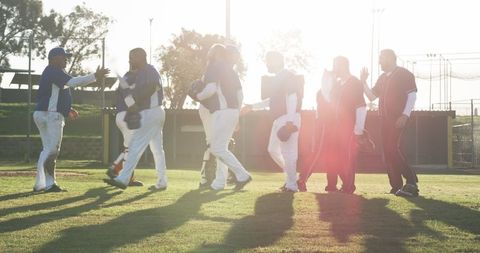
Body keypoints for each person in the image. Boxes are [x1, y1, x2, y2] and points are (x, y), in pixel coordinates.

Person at [33, 47, 109, 192]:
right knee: (52, 151)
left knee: (47, 150)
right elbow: (74, 82)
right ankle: (50, 184)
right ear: (54, 58)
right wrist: (95, 76)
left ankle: (41, 184)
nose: (66, 59)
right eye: (63, 56)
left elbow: (54, 94)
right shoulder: (54, 70)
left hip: (43, 113)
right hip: (51, 115)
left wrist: (67, 108)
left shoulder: (50, 71)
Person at [103, 48, 167, 191]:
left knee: (134, 147)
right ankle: (162, 181)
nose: (130, 60)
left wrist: (136, 101)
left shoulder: (149, 70)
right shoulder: (140, 73)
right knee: (157, 150)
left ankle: (123, 178)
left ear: (141, 57)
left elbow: (152, 86)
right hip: (154, 112)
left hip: (151, 112)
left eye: (132, 57)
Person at [360, 49, 419, 197]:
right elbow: (371, 96)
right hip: (384, 120)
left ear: (391, 58)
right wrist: (363, 82)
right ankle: (396, 186)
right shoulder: (382, 78)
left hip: (398, 119)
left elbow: (412, 96)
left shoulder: (404, 74)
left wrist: (405, 115)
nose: (379, 61)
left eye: (381, 58)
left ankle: (411, 181)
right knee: (387, 152)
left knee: (393, 149)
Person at [304, 56, 367, 193]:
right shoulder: (337, 84)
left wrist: (359, 129)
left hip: (348, 127)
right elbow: (325, 96)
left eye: (336, 65)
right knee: (332, 156)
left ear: (343, 66)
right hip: (334, 127)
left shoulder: (354, 83)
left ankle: (348, 186)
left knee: (346, 157)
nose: (334, 69)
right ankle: (331, 185)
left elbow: (361, 106)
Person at [242, 51, 302, 192]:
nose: (266, 63)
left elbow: (292, 97)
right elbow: (272, 101)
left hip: (288, 117)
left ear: (277, 61)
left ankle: (292, 185)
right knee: (273, 149)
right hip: (278, 118)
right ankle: (292, 178)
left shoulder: (288, 75)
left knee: (289, 153)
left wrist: (290, 121)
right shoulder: (277, 78)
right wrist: (252, 106)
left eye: (268, 60)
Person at [195, 44, 252, 191]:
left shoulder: (215, 67)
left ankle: (242, 175)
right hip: (230, 111)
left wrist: (197, 96)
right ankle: (219, 182)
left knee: (216, 147)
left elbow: (210, 89)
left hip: (221, 111)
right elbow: (240, 96)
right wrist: (237, 116)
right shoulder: (231, 71)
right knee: (221, 147)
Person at [105, 70, 144, 187]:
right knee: (132, 149)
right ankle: (121, 174)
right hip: (127, 115)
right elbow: (129, 96)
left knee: (129, 147)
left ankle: (116, 169)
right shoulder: (133, 77)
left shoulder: (126, 77)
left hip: (121, 115)